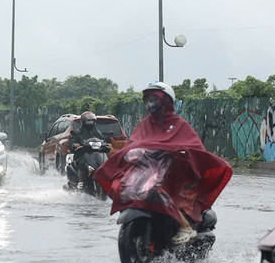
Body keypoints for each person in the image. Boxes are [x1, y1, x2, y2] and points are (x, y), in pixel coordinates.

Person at [94, 81, 232, 245]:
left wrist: (182, 154)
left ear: (166, 100)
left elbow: (193, 146)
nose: (152, 102)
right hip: (149, 171)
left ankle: (185, 226)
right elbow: (135, 143)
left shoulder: (178, 124)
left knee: (161, 190)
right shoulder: (145, 124)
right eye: (149, 98)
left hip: (173, 174)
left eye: (156, 98)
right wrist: (127, 154)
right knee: (125, 185)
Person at [65, 111, 106, 190]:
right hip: (82, 154)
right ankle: (81, 181)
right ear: (83, 122)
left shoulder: (97, 132)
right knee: (82, 164)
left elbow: (102, 140)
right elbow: (71, 142)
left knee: (105, 164)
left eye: (92, 121)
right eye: (89, 121)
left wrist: (106, 144)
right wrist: (74, 144)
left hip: (96, 155)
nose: (91, 123)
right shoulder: (77, 132)